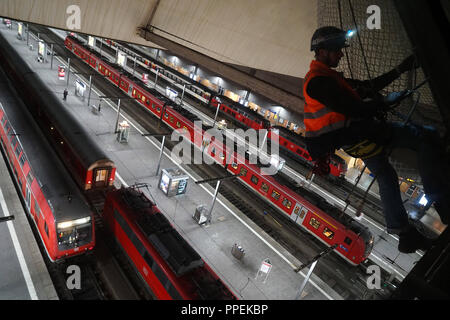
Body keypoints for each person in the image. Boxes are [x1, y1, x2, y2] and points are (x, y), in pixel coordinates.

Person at [303, 26, 449, 253]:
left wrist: (400, 70)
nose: (341, 54)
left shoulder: (329, 78)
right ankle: (444, 203)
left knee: (386, 175)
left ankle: (404, 233)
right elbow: (353, 107)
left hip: (354, 142)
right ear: (322, 51)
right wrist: (385, 102)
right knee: (425, 137)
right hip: (363, 134)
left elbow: (368, 87)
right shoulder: (317, 82)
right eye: (337, 50)